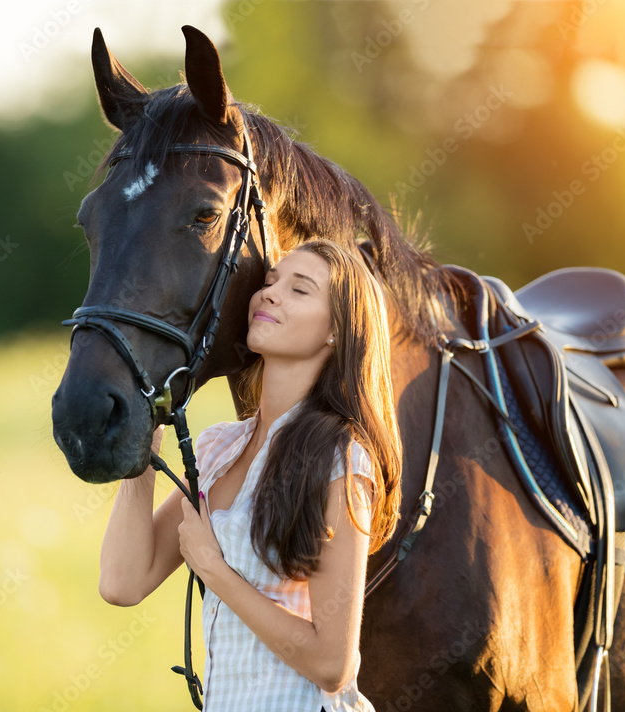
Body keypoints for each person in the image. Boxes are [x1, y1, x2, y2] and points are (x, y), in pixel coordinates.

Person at [99, 239, 403, 711]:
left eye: (300, 290)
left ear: (337, 331)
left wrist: (215, 571)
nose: (270, 294)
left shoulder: (341, 460)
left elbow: (331, 663)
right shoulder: (219, 448)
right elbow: (123, 582)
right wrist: (147, 433)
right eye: (268, 282)